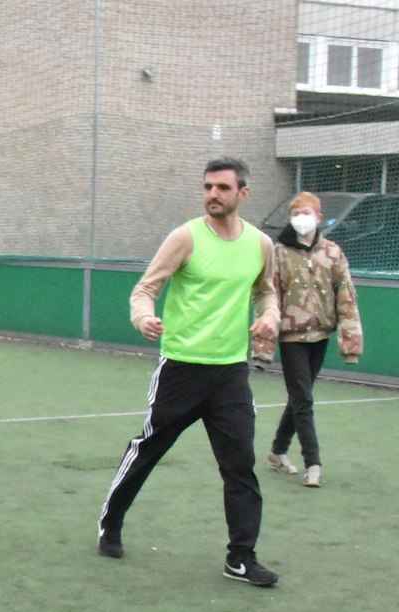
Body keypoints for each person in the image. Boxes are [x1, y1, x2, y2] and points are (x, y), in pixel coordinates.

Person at [99, 156, 282, 587]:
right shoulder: (185, 237)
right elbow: (146, 288)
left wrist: (271, 315)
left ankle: (241, 557)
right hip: (181, 369)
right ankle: (111, 522)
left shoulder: (260, 245)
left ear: (243, 193)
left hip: (230, 374)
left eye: (222, 187)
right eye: (207, 187)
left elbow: (266, 293)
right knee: (148, 450)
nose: (213, 195)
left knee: (240, 466)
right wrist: (143, 317)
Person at [266, 191, 363, 489]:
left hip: (320, 335)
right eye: (296, 213)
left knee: (300, 397)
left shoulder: (333, 252)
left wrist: (350, 341)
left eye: (307, 213)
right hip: (291, 337)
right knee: (304, 399)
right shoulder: (278, 253)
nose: (301, 219)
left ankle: (278, 450)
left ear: (319, 218)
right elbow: (268, 296)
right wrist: (263, 345)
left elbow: (346, 297)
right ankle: (313, 464)